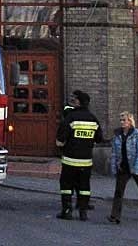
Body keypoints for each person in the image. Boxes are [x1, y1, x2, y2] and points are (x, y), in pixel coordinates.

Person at [56, 91, 103, 221]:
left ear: (78, 102)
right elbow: (99, 139)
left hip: (70, 160)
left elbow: (60, 139)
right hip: (86, 162)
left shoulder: (71, 118)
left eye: (75, 99)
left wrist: (62, 147)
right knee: (84, 187)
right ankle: (83, 213)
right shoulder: (93, 119)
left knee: (66, 186)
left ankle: (67, 211)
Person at [107, 111, 138, 224]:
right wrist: (114, 167)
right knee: (118, 191)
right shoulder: (117, 135)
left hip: (135, 165)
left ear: (130, 121)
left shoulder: (136, 134)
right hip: (123, 167)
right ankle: (115, 216)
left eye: (124, 120)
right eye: (121, 120)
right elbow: (114, 153)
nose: (122, 122)